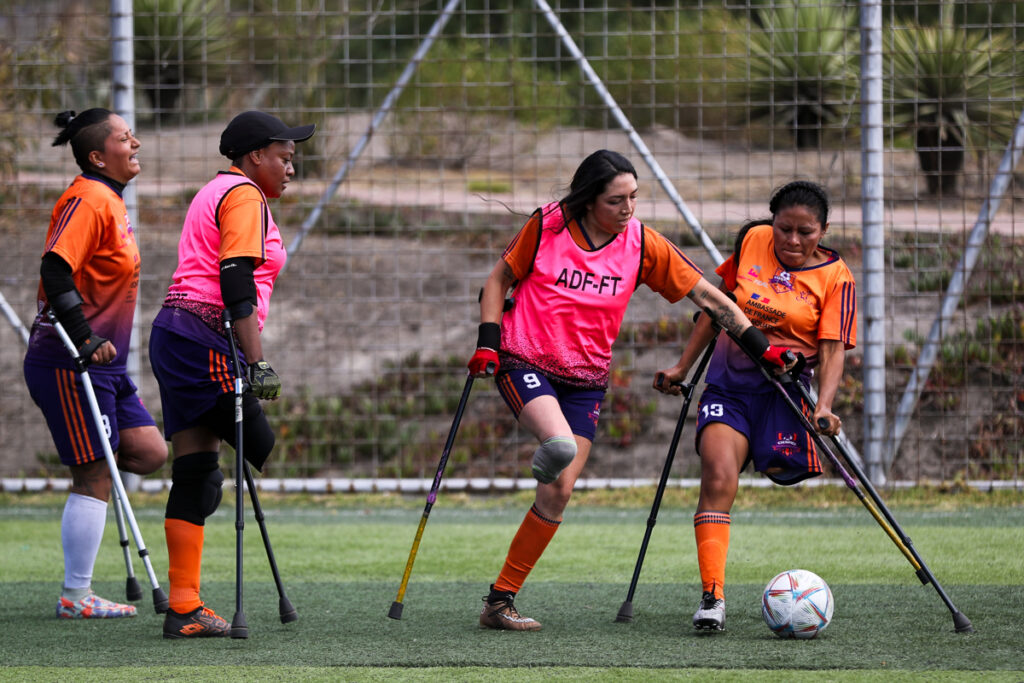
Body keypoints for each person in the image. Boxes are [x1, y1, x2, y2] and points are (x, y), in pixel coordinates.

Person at [469, 149, 792, 631]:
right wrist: (488, 343)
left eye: (634, 198)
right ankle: (548, 445)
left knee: (558, 490)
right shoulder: (549, 225)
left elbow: (707, 296)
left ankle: (499, 601)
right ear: (588, 200)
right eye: (616, 200)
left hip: (586, 380)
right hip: (523, 359)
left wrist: (762, 347)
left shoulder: (641, 243)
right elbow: (498, 280)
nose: (628, 209)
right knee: (557, 445)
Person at [654, 180, 857, 632]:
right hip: (729, 387)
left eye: (806, 231)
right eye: (784, 228)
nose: (793, 240)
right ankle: (713, 598)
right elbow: (714, 307)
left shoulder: (837, 277)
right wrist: (682, 369)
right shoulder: (752, 242)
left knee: (785, 471)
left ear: (823, 229)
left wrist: (824, 406)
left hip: (785, 393)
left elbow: (831, 350)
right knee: (718, 477)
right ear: (772, 223)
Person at [148, 110, 314, 639]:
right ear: (254, 157)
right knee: (258, 447)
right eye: (284, 158)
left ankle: (184, 608)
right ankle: (185, 606)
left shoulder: (215, 190)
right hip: (205, 337)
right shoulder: (244, 195)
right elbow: (236, 274)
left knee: (197, 470)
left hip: (175, 333)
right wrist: (256, 358)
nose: (291, 167)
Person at [23, 109, 168, 619]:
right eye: (124, 137)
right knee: (95, 475)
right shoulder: (88, 198)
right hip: (70, 361)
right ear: (96, 156)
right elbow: (54, 269)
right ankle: (75, 595)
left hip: (106, 365)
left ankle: (86, 463)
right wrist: (83, 337)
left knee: (149, 452)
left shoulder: (110, 200)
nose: (136, 142)